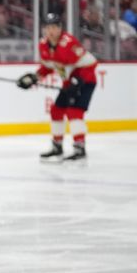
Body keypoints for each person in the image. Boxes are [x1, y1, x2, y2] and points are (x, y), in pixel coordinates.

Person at [17, 13, 97, 162]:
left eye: (54, 27)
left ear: (60, 28)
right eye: (48, 27)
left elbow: (91, 63)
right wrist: (33, 78)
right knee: (56, 110)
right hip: (69, 83)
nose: (51, 31)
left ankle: (79, 147)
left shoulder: (69, 43)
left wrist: (77, 81)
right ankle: (57, 146)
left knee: (74, 111)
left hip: (86, 80)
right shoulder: (43, 44)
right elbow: (48, 67)